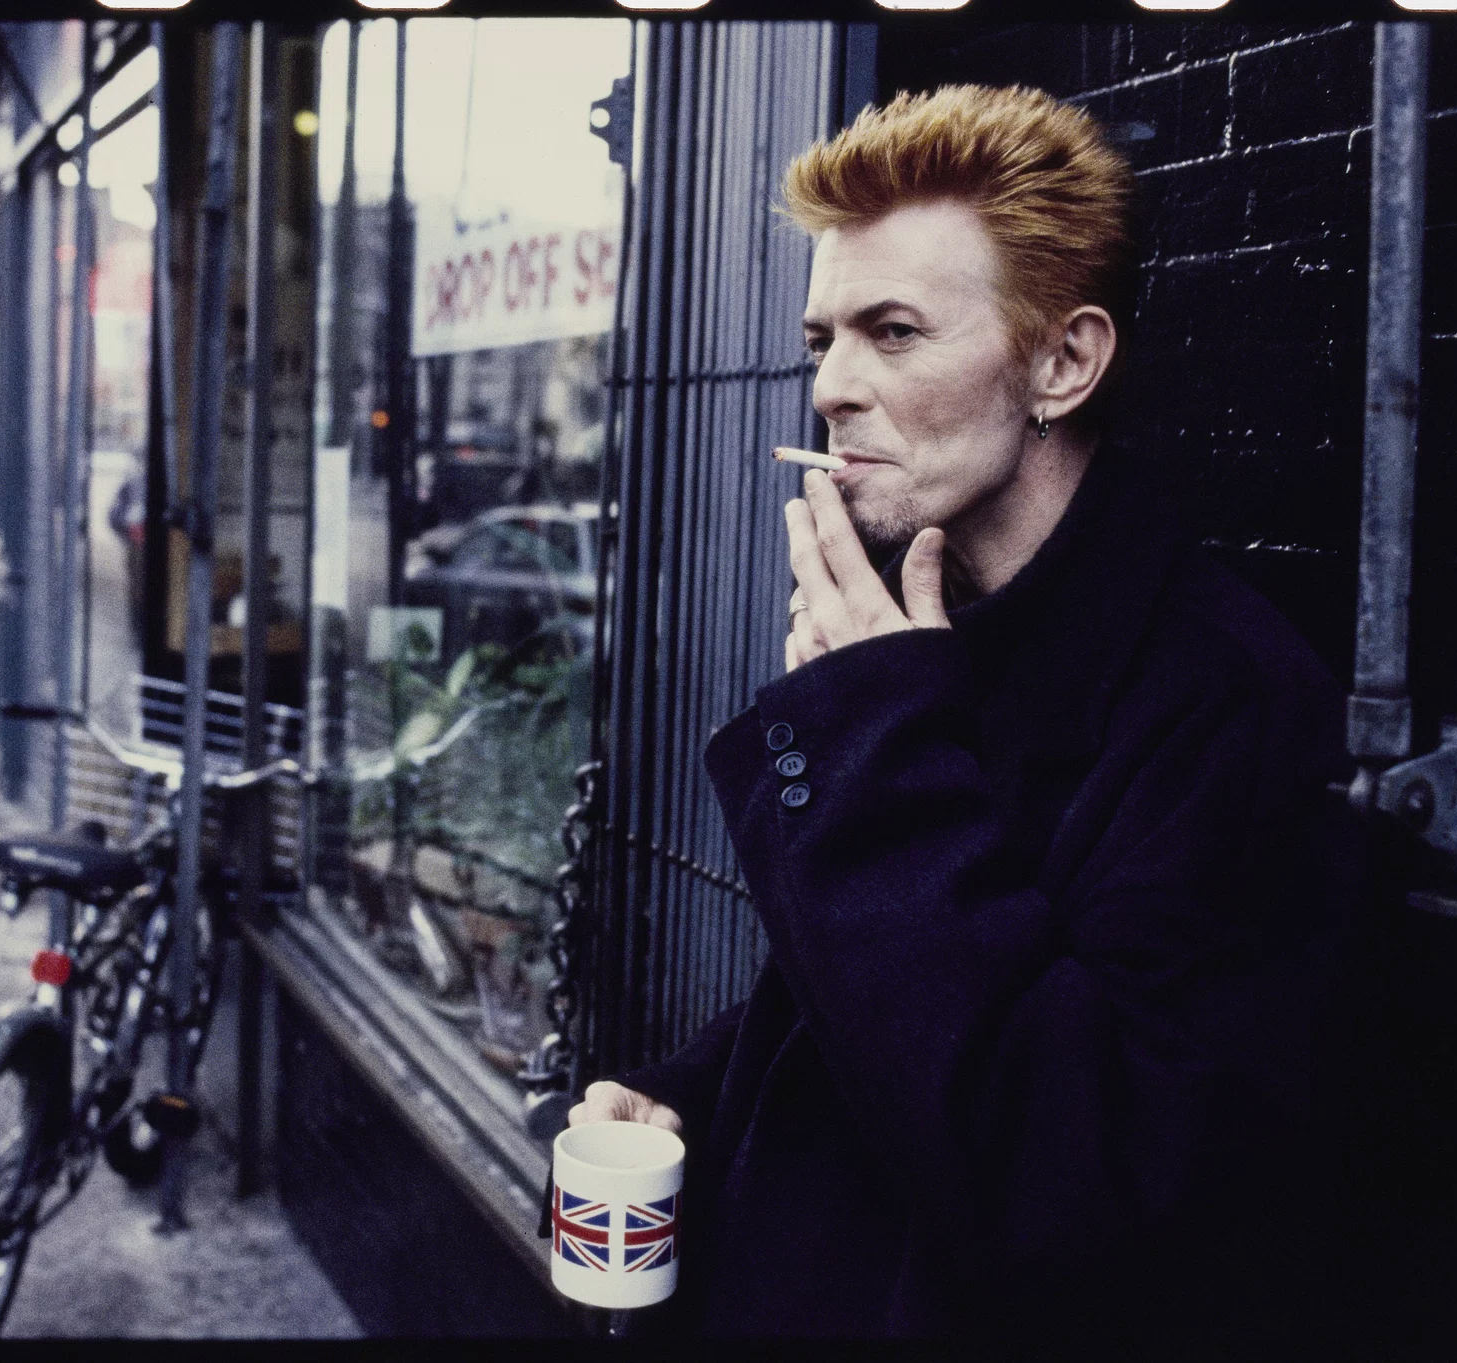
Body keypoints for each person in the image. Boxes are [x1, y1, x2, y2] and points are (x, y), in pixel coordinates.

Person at [566, 86, 1357, 1348]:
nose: (829, 385)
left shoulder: (1219, 706)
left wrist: (871, 747)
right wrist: (689, 1099)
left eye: (892, 332)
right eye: (821, 337)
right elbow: (862, 1009)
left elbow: (1080, 1179)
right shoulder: (932, 622)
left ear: (1061, 361)